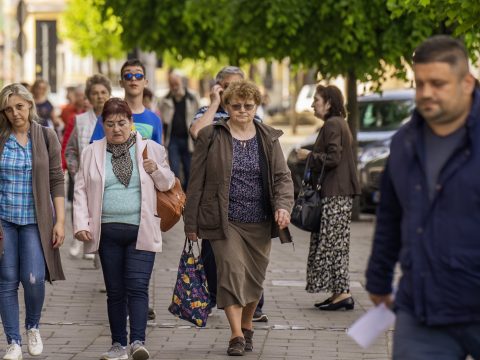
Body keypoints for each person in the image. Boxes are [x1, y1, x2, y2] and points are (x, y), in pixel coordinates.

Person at [366, 35, 480, 359]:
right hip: (422, 308)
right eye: (420, 83)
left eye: (438, 83)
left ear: (467, 83)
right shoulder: (405, 142)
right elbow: (390, 214)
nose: (426, 93)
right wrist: (378, 279)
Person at [184, 80, 293, 356]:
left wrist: (283, 206)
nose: (242, 110)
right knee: (231, 273)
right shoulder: (211, 135)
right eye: (236, 105)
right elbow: (195, 181)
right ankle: (235, 335)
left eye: (248, 105)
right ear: (227, 107)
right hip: (224, 219)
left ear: (256, 106)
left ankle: (247, 326)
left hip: (259, 219)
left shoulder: (267, 136)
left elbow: (282, 177)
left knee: (254, 279)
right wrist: (191, 223)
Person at [73, 98, 175, 360]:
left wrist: (156, 171)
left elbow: (168, 185)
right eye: (110, 124)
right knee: (115, 290)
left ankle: (138, 342)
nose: (116, 129)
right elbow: (81, 189)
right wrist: (81, 224)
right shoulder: (92, 152)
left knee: (137, 286)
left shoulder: (150, 148)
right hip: (107, 232)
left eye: (122, 123)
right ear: (103, 125)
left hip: (141, 229)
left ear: (132, 123)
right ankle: (118, 344)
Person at [190, 66, 267, 321]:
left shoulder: (253, 118)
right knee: (225, 263)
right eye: (229, 87)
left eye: (240, 85)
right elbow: (197, 132)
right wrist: (215, 103)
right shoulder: (209, 115)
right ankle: (230, 318)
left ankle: (250, 311)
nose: (240, 103)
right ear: (220, 88)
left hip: (255, 213)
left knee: (251, 267)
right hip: (218, 208)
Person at [0, 83, 65, 360]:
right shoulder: (1, 138)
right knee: (6, 280)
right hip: (4, 220)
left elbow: (56, 180)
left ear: (29, 105)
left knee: (34, 278)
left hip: (34, 222)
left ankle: (33, 327)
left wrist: (60, 221)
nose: (15, 113)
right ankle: (13, 341)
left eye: (19, 106)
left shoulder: (46, 136)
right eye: (8, 109)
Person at [296, 84, 360, 311]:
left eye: (317, 100)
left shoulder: (333, 124)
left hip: (336, 192)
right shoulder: (337, 123)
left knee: (334, 245)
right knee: (335, 243)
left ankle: (342, 293)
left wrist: (308, 155)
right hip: (339, 191)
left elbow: (333, 158)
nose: (313, 104)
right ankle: (338, 293)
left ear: (329, 103)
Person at [65, 74, 112, 259]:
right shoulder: (80, 120)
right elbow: (70, 150)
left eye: (103, 92)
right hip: (84, 174)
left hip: (108, 174)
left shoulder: (116, 117)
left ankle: (97, 246)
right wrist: (76, 170)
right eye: (95, 93)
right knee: (82, 207)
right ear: (88, 96)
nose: (99, 96)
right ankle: (80, 238)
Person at [90, 59, 163, 144]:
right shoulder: (107, 115)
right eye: (128, 75)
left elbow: (158, 154)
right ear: (121, 83)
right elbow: (94, 151)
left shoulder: (155, 119)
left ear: (145, 82)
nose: (133, 78)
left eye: (139, 75)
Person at [158, 70, 200, 189]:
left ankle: (187, 197)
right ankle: (177, 196)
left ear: (181, 82)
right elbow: (162, 119)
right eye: (172, 84)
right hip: (173, 140)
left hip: (189, 140)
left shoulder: (192, 98)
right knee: (174, 170)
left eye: (176, 83)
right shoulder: (165, 100)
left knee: (189, 170)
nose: (174, 87)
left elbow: (199, 116)